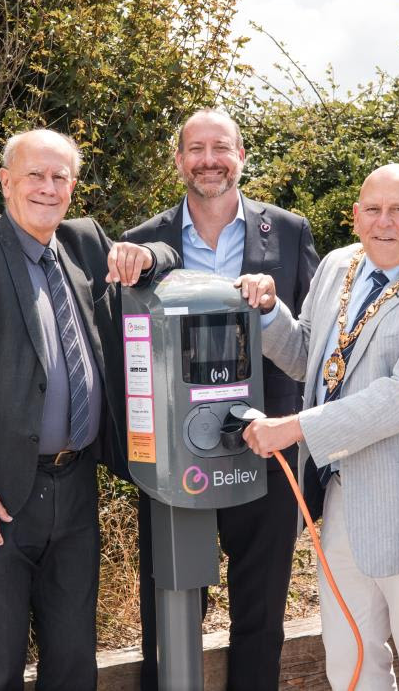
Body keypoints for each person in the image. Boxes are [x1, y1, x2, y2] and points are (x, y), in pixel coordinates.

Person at [0, 129, 178, 690]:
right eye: (35, 174)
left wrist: (147, 254)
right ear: (6, 181)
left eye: (60, 176)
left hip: (75, 489)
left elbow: (166, 258)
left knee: (73, 663)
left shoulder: (84, 243)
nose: (48, 187)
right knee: (0, 665)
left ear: (73, 186)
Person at [236, 163, 399, 691]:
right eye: (373, 210)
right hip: (341, 499)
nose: (385, 222)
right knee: (350, 659)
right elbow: (311, 355)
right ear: (355, 216)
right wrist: (267, 314)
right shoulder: (337, 265)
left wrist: (297, 428)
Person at [121, 109, 318, 691]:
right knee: (171, 600)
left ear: (241, 156)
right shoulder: (140, 244)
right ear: (179, 160)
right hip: (176, 454)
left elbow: (311, 339)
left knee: (261, 609)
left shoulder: (287, 231)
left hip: (266, 443)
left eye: (221, 148)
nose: (210, 160)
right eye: (196, 148)